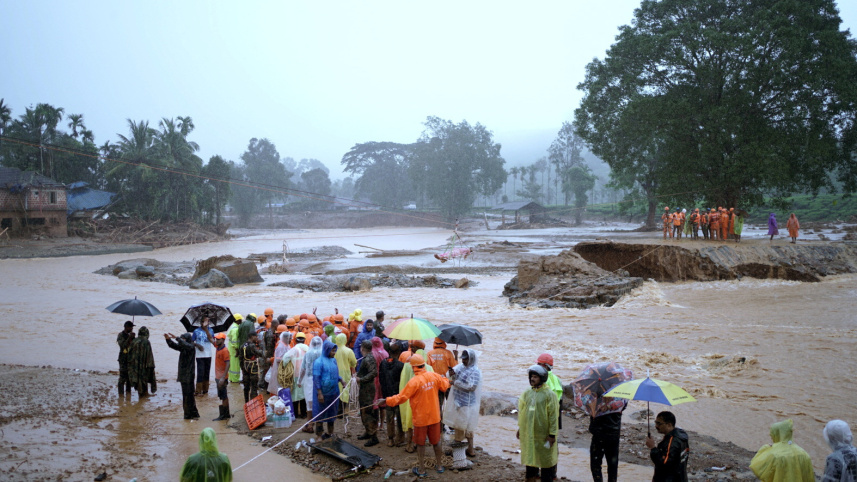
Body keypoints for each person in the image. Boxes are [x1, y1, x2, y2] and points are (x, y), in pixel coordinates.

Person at [379, 354, 450, 477]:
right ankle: (439, 466)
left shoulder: (414, 382)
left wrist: (386, 400)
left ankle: (422, 470)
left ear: (413, 367)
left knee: (420, 444)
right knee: (436, 441)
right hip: (434, 417)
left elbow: (401, 398)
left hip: (420, 419)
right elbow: (444, 386)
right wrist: (446, 379)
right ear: (424, 364)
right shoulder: (434, 376)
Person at [517, 365, 558, 482]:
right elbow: (522, 413)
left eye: (535, 377)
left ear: (542, 378)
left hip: (544, 434)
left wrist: (552, 434)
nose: (532, 379)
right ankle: (530, 478)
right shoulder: (527, 393)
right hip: (530, 433)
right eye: (531, 377)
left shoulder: (549, 395)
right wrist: (520, 428)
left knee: (546, 461)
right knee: (530, 457)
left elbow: (553, 416)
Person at [443, 348, 482, 465]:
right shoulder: (460, 367)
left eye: (465, 360)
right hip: (458, 400)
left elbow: (472, 387)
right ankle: (470, 449)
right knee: (461, 425)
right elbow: (450, 377)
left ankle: (461, 450)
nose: (464, 361)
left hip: (468, 402)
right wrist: (452, 374)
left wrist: (455, 383)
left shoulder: (475, 371)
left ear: (471, 359)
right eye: (463, 359)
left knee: (463, 426)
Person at [645, 411, 689, 482]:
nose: (656, 426)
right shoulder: (681, 436)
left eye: (659, 423)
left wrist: (653, 448)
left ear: (669, 425)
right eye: (656, 422)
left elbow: (664, 464)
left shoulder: (672, 442)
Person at [165, 332, 200, 419]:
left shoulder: (191, 347)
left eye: (184, 339)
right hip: (183, 375)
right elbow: (174, 346)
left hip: (189, 375)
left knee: (188, 396)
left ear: (188, 340)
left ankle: (189, 415)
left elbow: (185, 344)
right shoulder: (184, 348)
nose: (182, 341)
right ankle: (193, 414)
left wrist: (177, 338)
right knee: (187, 395)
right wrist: (168, 340)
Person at [589, 401, 627, 482]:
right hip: (614, 433)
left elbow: (590, 407)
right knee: (612, 465)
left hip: (599, 433)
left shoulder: (597, 392)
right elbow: (623, 406)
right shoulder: (620, 394)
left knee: (595, 464)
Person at [313, 339, 342, 439]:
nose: (334, 353)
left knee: (331, 414)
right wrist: (319, 392)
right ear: (327, 350)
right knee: (320, 414)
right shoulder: (318, 362)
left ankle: (330, 433)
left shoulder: (334, 360)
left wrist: (341, 380)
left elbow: (335, 374)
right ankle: (319, 435)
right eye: (332, 351)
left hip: (333, 392)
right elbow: (316, 378)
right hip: (323, 394)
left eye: (335, 350)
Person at [427, 338, 458, 427]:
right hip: (448, 383)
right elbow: (455, 368)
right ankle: (451, 426)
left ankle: (439, 426)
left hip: (435, 384)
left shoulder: (429, 353)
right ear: (444, 343)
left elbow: (427, 370)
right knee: (451, 405)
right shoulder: (448, 353)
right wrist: (456, 357)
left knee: (438, 406)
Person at [380, 341, 405, 447]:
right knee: (399, 418)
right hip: (398, 395)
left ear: (389, 352)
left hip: (387, 394)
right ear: (399, 352)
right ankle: (400, 438)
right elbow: (403, 381)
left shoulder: (383, 363)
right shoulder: (401, 365)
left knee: (389, 417)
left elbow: (381, 379)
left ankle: (390, 439)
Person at [356, 340, 380, 446]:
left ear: (362, 348)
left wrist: (361, 379)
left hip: (367, 389)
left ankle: (373, 435)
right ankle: (367, 431)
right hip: (365, 388)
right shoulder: (367, 358)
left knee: (368, 411)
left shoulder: (369, 358)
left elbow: (374, 372)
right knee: (363, 411)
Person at [299, 336, 323, 432]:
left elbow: (303, 368)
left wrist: (299, 381)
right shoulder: (323, 354)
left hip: (309, 380)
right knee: (319, 404)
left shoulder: (308, 354)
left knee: (309, 404)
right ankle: (319, 427)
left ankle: (310, 425)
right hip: (320, 381)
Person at [128, 326, 156, 398]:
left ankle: (142, 394)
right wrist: (151, 366)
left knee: (137, 379)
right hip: (144, 365)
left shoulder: (134, 341)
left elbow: (129, 353)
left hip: (134, 365)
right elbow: (149, 355)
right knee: (143, 379)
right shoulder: (146, 342)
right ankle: (143, 396)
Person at [287, 332, 309, 419]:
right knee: (304, 393)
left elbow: (285, 360)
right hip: (305, 375)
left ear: (295, 340)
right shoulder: (308, 349)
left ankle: (295, 414)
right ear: (304, 340)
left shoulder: (293, 349)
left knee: (294, 394)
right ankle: (304, 413)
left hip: (294, 374)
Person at [238, 330, 263, 404]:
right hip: (252, 367)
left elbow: (240, 358)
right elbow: (260, 353)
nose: (257, 338)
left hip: (245, 367)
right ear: (252, 337)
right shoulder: (252, 345)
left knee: (246, 387)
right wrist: (260, 344)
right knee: (254, 387)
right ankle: (253, 404)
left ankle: (246, 402)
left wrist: (242, 369)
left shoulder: (242, 345)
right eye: (256, 336)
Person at [192, 317, 215, 397]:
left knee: (207, 372)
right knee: (200, 372)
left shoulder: (211, 330)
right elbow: (191, 342)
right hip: (199, 355)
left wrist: (206, 329)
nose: (205, 323)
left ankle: (205, 390)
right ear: (200, 322)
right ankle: (198, 390)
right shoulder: (196, 331)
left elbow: (212, 341)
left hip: (208, 354)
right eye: (203, 321)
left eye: (207, 321)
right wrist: (197, 345)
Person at [333, 333, 357, 408]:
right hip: (345, 372)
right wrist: (353, 365)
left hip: (334, 371)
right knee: (345, 389)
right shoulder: (348, 351)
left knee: (335, 389)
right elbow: (353, 362)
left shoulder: (333, 350)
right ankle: (342, 408)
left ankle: (336, 408)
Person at [212, 333, 231, 421]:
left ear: (223, 340)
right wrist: (205, 329)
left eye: (218, 339)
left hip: (222, 377)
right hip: (218, 376)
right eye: (216, 339)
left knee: (224, 396)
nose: (216, 340)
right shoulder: (218, 347)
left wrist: (223, 377)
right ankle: (225, 414)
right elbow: (210, 340)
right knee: (222, 396)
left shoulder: (224, 350)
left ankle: (224, 415)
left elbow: (228, 364)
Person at [258, 315, 279, 394]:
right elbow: (269, 347)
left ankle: (263, 386)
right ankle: (265, 387)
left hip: (266, 355)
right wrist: (270, 359)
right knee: (266, 372)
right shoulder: (270, 334)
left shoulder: (269, 332)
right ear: (275, 325)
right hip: (268, 356)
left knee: (264, 372)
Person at [117, 320, 135, 396]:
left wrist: (133, 339)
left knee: (129, 378)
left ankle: (128, 394)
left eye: (132, 327)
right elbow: (122, 345)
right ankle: (120, 394)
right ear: (126, 327)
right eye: (130, 327)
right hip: (123, 359)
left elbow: (134, 347)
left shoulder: (130, 336)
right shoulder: (120, 335)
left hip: (130, 360)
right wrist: (129, 338)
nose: (131, 329)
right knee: (122, 378)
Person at [226, 314, 243, 383]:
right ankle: (235, 380)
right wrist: (237, 350)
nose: (242, 320)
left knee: (232, 365)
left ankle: (231, 378)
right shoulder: (236, 329)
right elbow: (235, 341)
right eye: (241, 319)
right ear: (238, 320)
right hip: (234, 350)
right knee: (235, 366)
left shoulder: (232, 327)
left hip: (231, 349)